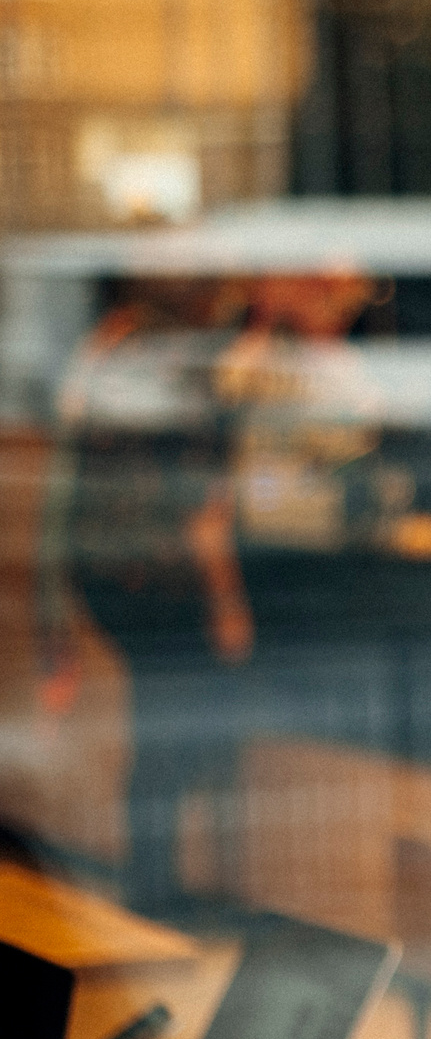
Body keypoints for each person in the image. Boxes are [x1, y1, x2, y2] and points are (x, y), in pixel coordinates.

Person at [46, 276, 255, 921]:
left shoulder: (112, 355)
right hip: (159, 580)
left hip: (107, 573)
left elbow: (68, 488)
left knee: (159, 729)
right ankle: (155, 891)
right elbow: (202, 511)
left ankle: (152, 884)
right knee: (174, 738)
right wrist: (227, 604)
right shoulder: (177, 371)